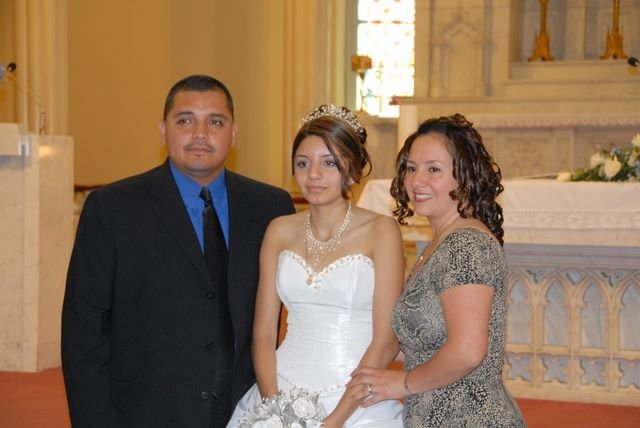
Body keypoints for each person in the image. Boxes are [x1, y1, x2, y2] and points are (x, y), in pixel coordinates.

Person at [62, 74, 295, 427]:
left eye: (215, 122)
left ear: (233, 133)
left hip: (246, 411)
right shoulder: (112, 209)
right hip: (144, 414)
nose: (200, 134)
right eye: (185, 121)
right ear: (163, 130)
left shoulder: (270, 207)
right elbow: (83, 331)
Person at [227, 105, 405, 427]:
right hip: (280, 390)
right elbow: (264, 333)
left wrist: (335, 419)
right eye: (303, 163)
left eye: (328, 163)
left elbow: (386, 339)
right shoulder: (279, 230)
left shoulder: (381, 231)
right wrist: (275, 410)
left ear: (352, 170)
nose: (313, 175)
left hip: (356, 397)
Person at [348, 114, 526, 426]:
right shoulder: (441, 243)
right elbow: (428, 346)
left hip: (470, 418)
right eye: (411, 168)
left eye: (434, 169)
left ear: (465, 175)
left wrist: (402, 383)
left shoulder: (466, 244)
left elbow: (467, 351)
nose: (417, 181)